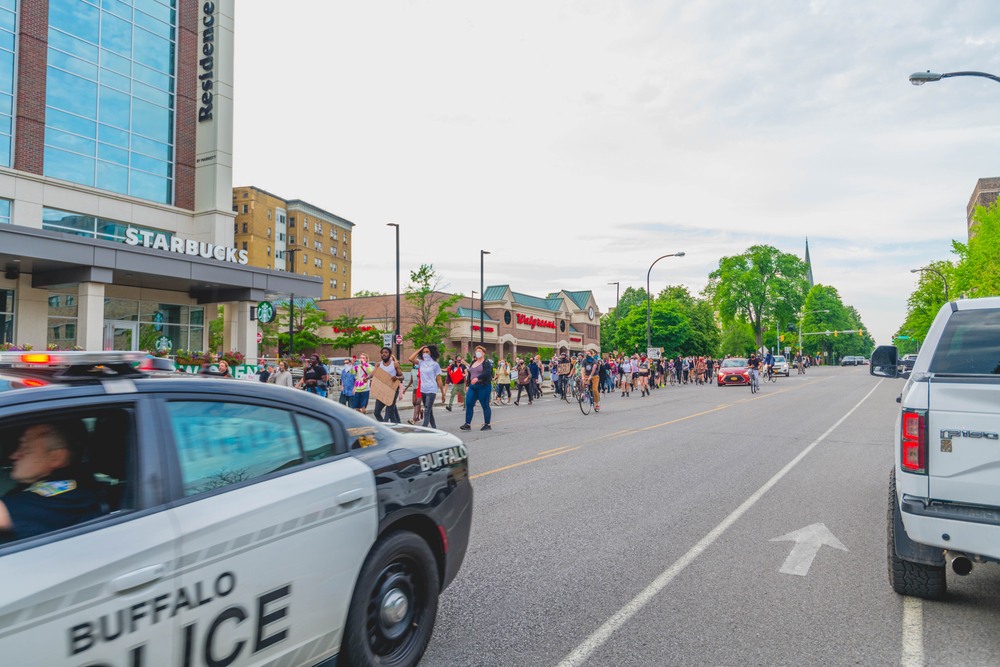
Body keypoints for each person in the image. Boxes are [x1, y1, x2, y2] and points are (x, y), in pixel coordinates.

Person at [0, 422, 101, 543]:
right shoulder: (44, 487)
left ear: (56, 458)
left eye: (25, 449)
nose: (13, 456)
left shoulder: (69, 497)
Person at [408, 345, 445, 428]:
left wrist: (443, 394)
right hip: (423, 389)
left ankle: (424, 428)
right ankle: (434, 428)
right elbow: (410, 359)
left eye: (427, 352)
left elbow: (439, 380)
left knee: (427, 410)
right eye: (424, 352)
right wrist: (420, 349)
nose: (425, 353)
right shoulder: (421, 362)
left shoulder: (435, 364)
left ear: (431, 353)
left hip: (431, 390)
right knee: (429, 410)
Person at [460, 346, 493, 431]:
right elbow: (470, 374)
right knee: (469, 403)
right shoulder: (473, 362)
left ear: (483, 353)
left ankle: (487, 424)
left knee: (485, 405)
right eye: (476, 351)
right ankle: (467, 424)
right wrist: (467, 384)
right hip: (472, 386)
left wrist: (478, 378)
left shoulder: (486, 362)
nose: (477, 352)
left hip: (483, 386)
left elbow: (487, 373)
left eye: (479, 351)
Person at [373, 347, 404, 424]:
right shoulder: (378, 364)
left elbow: (402, 377)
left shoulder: (395, 364)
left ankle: (386, 427)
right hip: (382, 390)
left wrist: (396, 377)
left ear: (390, 354)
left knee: (389, 411)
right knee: (376, 412)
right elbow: (373, 374)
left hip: (392, 390)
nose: (384, 354)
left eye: (386, 352)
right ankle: (393, 425)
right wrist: (367, 377)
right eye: (382, 352)